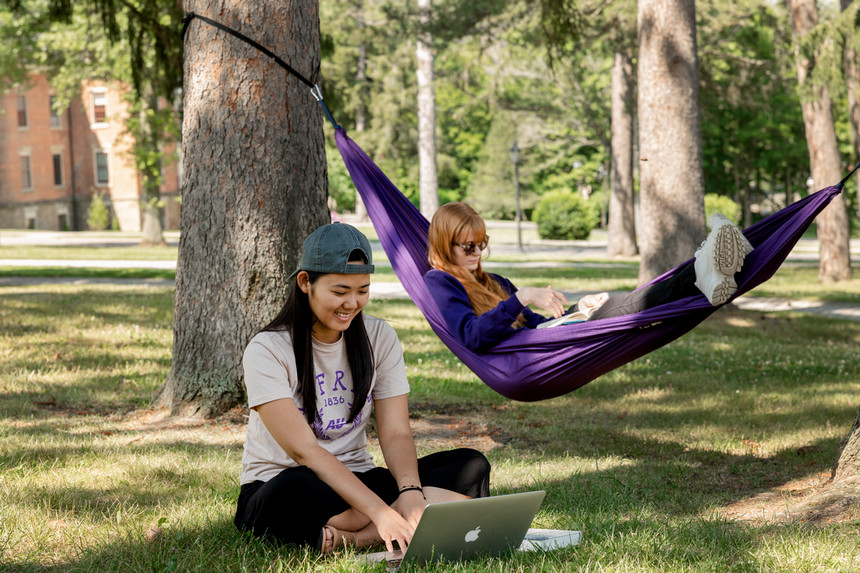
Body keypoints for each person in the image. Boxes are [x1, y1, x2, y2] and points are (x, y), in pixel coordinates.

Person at [234, 222, 490, 554]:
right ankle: (404, 520)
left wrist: (411, 490)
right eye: (340, 291)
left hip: (358, 478)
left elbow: (396, 431)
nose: (352, 303)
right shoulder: (267, 349)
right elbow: (304, 452)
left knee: (470, 466)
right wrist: (381, 511)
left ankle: (351, 536)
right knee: (295, 489)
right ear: (304, 283)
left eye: (362, 290)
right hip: (288, 483)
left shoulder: (379, 337)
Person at [425, 202, 753, 352]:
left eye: (481, 244)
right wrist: (521, 296)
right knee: (630, 305)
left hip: (545, 340)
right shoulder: (440, 282)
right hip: (530, 359)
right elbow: (471, 336)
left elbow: (535, 322)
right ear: (445, 243)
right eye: (468, 246)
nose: (477, 253)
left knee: (623, 301)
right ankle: (701, 272)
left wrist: (577, 309)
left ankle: (702, 272)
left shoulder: (492, 281)